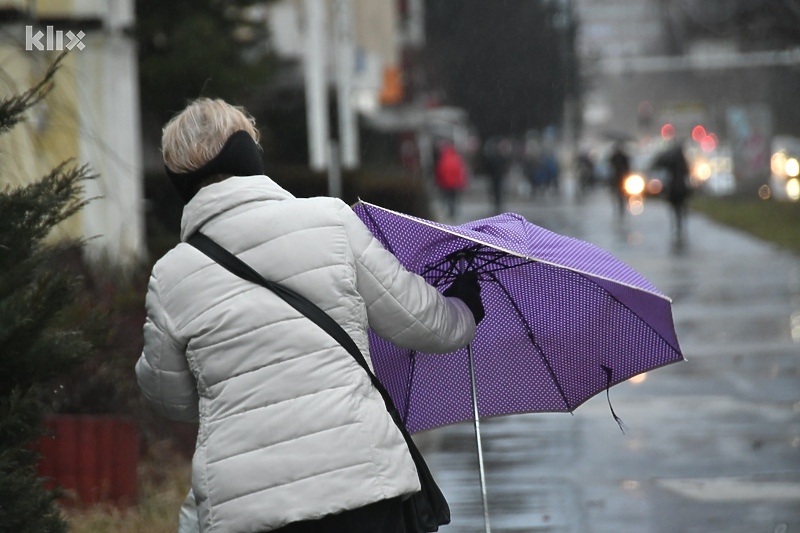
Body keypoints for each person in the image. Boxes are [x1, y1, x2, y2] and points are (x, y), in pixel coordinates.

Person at [135, 98, 484, 533]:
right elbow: (421, 321)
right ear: (250, 153)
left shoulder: (171, 276)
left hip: (246, 507)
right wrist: (465, 309)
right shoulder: (329, 221)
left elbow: (169, 399)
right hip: (362, 485)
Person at [434, 141, 467, 219]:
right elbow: (461, 172)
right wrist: (462, 182)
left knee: (447, 197)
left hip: (445, 183)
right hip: (455, 183)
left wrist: (438, 181)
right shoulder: (457, 158)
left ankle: (450, 210)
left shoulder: (442, 159)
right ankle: (453, 210)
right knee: (454, 197)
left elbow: (439, 172)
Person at [609, 142, 631, 218]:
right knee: (617, 193)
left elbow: (628, 166)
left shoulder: (623, 157)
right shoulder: (615, 157)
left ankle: (622, 205)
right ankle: (619, 205)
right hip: (616, 177)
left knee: (622, 192)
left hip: (622, 177)